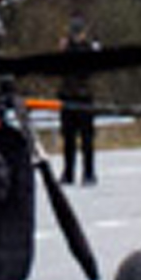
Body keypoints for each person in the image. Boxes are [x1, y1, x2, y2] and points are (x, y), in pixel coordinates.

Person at [55, 17, 102, 187]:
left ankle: (88, 172)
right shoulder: (67, 49)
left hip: (84, 98)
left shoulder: (87, 48)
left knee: (86, 139)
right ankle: (69, 172)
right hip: (69, 97)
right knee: (69, 138)